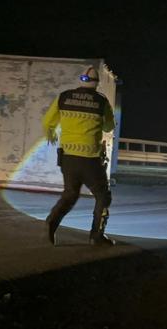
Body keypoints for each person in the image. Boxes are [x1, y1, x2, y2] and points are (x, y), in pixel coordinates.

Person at [43, 66, 116, 246]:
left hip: (68, 158)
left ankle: (52, 222)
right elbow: (109, 127)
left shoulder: (64, 96)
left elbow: (47, 122)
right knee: (102, 196)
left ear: (80, 79)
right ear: (97, 83)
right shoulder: (101, 101)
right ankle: (96, 236)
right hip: (90, 159)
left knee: (70, 194)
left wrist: (50, 134)